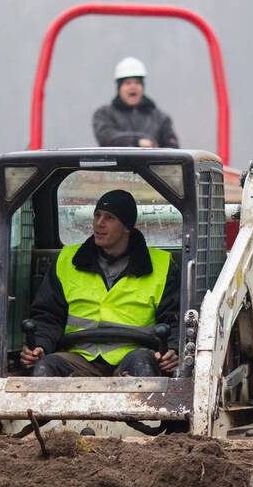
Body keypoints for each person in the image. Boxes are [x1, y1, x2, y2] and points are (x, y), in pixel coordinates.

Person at [21, 189, 180, 377]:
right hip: (79, 357)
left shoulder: (162, 265)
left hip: (134, 356)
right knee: (45, 368)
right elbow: (48, 316)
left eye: (109, 218)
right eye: (97, 215)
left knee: (142, 365)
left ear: (127, 226)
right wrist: (39, 345)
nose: (99, 223)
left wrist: (172, 349)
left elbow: (175, 319)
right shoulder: (66, 260)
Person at [92, 57, 179, 149]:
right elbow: (107, 138)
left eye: (137, 83)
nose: (133, 87)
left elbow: (173, 149)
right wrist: (137, 141)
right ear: (119, 87)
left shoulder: (161, 118)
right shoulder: (104, 114)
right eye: (128, 83)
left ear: (142, 87)